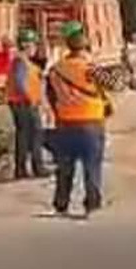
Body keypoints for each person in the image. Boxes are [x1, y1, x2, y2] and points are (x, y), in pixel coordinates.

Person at [46, 21, 110, 216]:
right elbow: (115, 83)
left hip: (65, 123)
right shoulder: (90, 68)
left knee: (64, 167)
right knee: (91, 166)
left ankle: (61, 204)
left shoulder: (56, 69)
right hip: (91, 122)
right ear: (84, 45)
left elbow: (50, 96)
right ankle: (91, 204)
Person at [5, 28, 48, 179]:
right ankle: (37, 167)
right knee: (34, 135)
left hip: (21, 102)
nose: (35, 49)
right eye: (33, 45)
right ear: (26, 45)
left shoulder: (21, 61)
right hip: (24, 103)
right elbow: (20, 82)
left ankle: (22, 169)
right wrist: (30, 98)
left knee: (24, 136)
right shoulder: (20, 62)